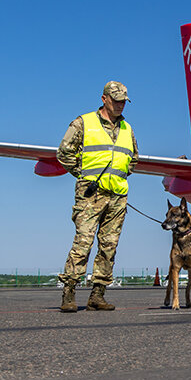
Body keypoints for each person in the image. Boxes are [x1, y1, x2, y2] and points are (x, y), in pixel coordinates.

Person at [56, 81, 138, 312]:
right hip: (91, 194)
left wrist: (119, 176)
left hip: (118, 195)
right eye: (116, 100)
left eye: (123, 101)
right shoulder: (83, 123)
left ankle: (98, 294)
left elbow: (134, 158)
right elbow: (64, 153)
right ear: (104, 99)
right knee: (83, 241)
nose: (121, 104)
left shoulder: (127, 129)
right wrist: (83, 175)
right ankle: (69, 292)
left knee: (109, 245)